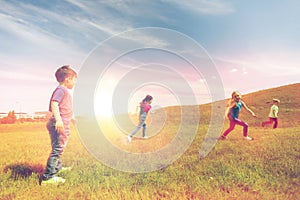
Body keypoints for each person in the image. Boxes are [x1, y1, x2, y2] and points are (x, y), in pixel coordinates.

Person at [39, 65, 77, 185]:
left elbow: (64, 109)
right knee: (58, 149)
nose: (75, 82)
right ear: (68, 78)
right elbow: (54, 104)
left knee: (58, 147)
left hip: (58, 123)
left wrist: (73, 119)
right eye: (75, 79)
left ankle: (57, 168)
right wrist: (59, 120)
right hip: (59, 124)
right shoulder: (61, 90)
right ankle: (48, 178)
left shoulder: (63, 91)